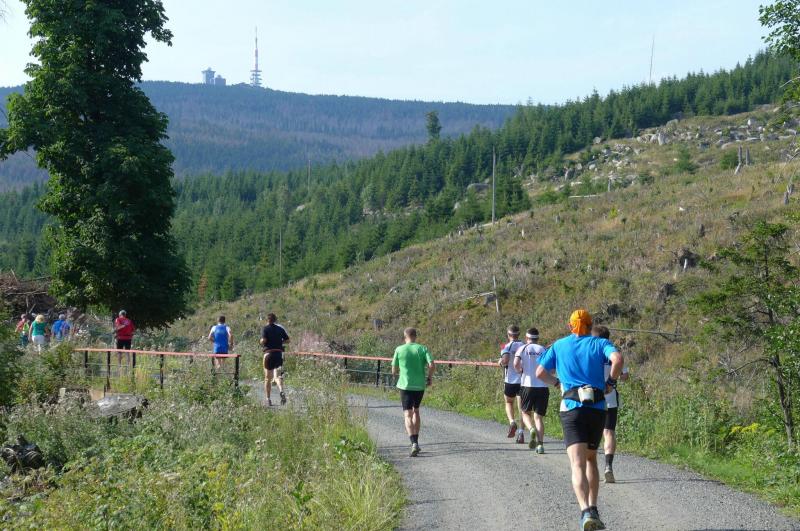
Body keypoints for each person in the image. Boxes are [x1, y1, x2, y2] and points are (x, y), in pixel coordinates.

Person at [536, 309, 624, 531]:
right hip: (597, 408)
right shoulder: (600, 343)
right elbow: (618, 359)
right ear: (590, 325)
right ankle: (593, 508)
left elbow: (539, 372)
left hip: (571, 408)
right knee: (591, 459)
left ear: (570, 326)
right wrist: (611, 383)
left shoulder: (559, 345)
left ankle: (585, 512)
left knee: (577, 463)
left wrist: (557, 383)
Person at [592, 325, 630, 484]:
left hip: (591, 397)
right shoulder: (614, 353)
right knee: (609, 432)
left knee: (591, 433)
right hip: (610, 397)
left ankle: (589, 467)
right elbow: (625, 376)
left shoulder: (591, 352)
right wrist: (614, 378)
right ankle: (608, 466)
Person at [391, 327, 435, 457]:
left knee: (407, 414)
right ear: (415, 336)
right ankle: (416, 440)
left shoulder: (399, 349)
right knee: (416, 411)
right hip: (419, 386)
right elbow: (432, 365)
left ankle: (413, 443)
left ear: (405, 337)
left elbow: (394, 369)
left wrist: (396, 375)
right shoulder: (422, 348)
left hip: (405, 386)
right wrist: (429, 377)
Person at [513, 327, 551, 454]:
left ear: (526, 338)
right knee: (538, 418)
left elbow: (515, 363)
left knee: (525, 413)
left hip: (527, 385)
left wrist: (520, 371)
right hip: (542, 387)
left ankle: (531, 429)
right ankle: (540, 445)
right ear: (538, 338)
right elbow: (551, 368)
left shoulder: (522, 348)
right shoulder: (543, 349)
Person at [499, 325, 526, 442]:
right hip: (523, 381)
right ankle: (521, 433)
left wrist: (500, 362)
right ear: (518, 334)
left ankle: (512, 422)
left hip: (510, 380)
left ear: (508, 334)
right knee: (522, 408)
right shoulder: (525, 345)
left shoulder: (506, 346)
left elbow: (505, 361)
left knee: (509, 402)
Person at [260, 313, 290, 406]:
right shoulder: (280, 329)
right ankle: (281, 390)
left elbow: (264, 340)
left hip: (268, 354)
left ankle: (268, 399)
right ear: (275, 320)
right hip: (278, 354)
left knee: (267, 379)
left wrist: (261, 342)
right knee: (277, 376)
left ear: (267, 320)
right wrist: (280, 342)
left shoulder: (265, 328)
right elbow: (288, 340)